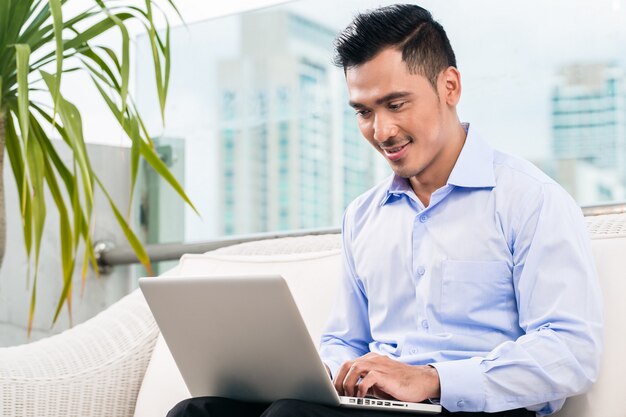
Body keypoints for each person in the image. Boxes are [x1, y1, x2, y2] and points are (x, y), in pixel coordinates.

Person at [168, 4, 603, 417]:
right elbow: (344, 339)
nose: (382, 131)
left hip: (475, 407)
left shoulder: (529, 199)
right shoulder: (363, 215)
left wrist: (433, 379)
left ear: (449, 86)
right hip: (383, 407)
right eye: (363, 112)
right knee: (197, 411)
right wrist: (335, 373)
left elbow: (571, 351)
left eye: (396, 104)